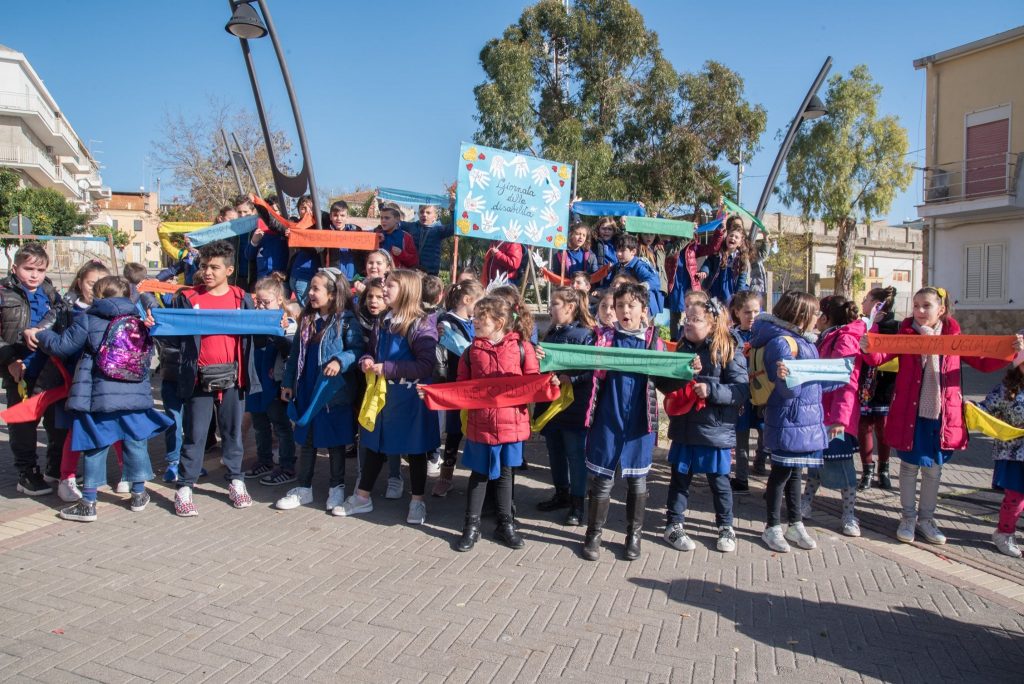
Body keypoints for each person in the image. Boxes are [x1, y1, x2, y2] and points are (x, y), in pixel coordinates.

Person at [860, 287, 1020, 545]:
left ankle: (927, 519)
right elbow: (879, 356)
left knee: (934, 470)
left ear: (941, 310)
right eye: (916, 306)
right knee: (909, 467)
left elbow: (984, 362)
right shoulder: (906, 334)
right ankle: (908, 518)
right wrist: (869, 344)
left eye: (926, 306)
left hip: (942, 414)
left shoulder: (955, 337)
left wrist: (1010, 351)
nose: (920, 311)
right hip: (909, 413)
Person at [34, 276, 172, 522]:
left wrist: (41, 335)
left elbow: (62, 346)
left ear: (97, 296)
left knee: (95, 445)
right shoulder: (139, 321)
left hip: (99, 395)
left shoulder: (88, 320)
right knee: (135, 443)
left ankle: (88, 502)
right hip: (135, 395)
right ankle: (139, 494)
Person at [166, 240, 265, 516]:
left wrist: (277, 324)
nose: (207, 272)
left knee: (233, 433)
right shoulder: (188, 298)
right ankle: (185, 486)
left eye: (214, 267)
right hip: (198, 379)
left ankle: (236, 481)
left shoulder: (241, 298)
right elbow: (172, 333)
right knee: (195, 434)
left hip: (234, 377)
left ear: (229, 270)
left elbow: (258, 335)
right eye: (203, 266)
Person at [336, 270, 439, 524]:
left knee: (416, 450)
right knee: (374, 444)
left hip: (411, 397)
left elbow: (426, 366)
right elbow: (371, 351)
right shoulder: (383, 320)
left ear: (405, 290)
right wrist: (367, 360)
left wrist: (389, 368)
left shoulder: (421, 323)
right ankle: (362, 497)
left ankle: (417, 502)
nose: (384, 291)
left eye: (390, 286)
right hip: (383, 396)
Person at [576, 282, 667, 561]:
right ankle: (593, 535)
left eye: (631, 305)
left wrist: (690, 368)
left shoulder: (654, 342)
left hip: (639, 421)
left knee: (638, 482)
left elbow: (669, 379)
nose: (624, 310)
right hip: (608, 417)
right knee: (602, 480)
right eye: (619, 305)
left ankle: (633, 537)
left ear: (643, 310)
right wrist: (550, 358)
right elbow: (576, 361)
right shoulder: (603, 338)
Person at [449, 295, 542, 551]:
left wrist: (550, 384)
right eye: (475, 316)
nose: (474, 321)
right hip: (482, 424)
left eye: (481, 318)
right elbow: (461, 387)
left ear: (499, 322)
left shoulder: (522, 348)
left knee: (505, 476)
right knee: (479, 476)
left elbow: (533, 381)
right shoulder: (471, 351)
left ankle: (506, 525)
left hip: (511, 424)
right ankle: (471, 526)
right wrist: (436, 395)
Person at [751, 291, 837, 553]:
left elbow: (820, 385)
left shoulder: (806, 341)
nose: (819, 318)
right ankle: (772, 527)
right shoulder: (781, 343)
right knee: (780, 473)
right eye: (815, 313)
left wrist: (839, 372)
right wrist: (791, 378)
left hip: (805, 418)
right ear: (801, 315)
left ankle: (795, 523)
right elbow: (789, 391)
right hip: (788, 417)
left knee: (796, 472)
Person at [660, 291, 746, 553]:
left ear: (711, 324)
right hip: (686, 427)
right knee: (679, 479)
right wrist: (684, 374)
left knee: (719, 482)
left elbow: (741, 391)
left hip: (714, 431)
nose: (687, 324)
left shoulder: (727, 349)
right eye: (686, 319)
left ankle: (725, 526)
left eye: (694, 320)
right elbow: (667, 384)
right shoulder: (682, 348)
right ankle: (673, 525)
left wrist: (710, 391)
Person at [275, 268, 364, 512]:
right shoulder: (306, 319)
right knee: (308, 442)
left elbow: (357, 350)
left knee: (335, 443)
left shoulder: (346, 321)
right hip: (306, 390)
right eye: (311, 288)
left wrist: (340, 361)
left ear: (333, 294)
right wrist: (287, 382)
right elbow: (295, 356)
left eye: (316, 289)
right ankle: (303, 489)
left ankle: (337, 489)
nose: (310, 293)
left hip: (331, 395)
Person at [0, 243, 69, 495]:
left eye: (39, 269)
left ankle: (55, 468)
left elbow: (63, 319)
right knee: (24, 427)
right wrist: (9, 360)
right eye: (28, 268)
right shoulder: (3, 293)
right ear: (15, 267)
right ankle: (26, 473)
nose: (34, 275)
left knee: (57, 423)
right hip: (19, 371)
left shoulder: (51, 292)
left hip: (50, 370)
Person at [800, 295, 867, 538]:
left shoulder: (845, 339)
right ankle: (805, 503)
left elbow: (846, 382)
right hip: (821, 412)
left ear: (827, 318)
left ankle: (849, 514)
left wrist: (840, 418)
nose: (815, 319)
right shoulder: (827, 337)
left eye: (818, 314)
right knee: (817, 463)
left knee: (843, 467)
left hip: (836, 416)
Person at [535, 287, 596, 526]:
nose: (550, 308)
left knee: (575, 455)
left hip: (574, 405)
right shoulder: (551, 333)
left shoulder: (586, 334)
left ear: (570, 307)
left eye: (555, 304)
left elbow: (592, 370)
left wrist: (573, 379)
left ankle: (577, 503)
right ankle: (561, 493)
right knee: (555, 452)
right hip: (552, 404)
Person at [431, 278, 485, 497]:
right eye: (479, 302)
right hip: (454, 384)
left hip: (473, 384)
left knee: (472, 430)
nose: (481, 308)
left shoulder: (475, 322)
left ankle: (479, 476)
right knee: (453, 432)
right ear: (467, 300)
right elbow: (463, 350)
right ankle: (445, 477)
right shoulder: (446, 322)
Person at [242, 274, 297, 484]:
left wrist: (278, 331)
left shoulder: (288, 322)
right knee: (259, 423)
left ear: (279, 301)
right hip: (255, 379)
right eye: (259, 302)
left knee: (280, 425)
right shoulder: (253, 320)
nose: (262, 307)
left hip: (274, 382)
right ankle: (264, 460)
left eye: (267, 303)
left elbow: (291, 350)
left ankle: (287, 466)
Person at [354, 277, 403, 497]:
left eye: (379, 297)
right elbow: (366, 351)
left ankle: (395, 475)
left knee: (391, 432)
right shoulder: (357, 320)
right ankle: (362, 475)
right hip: (364, 384)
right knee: (365, 429)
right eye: (370, 297)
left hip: (389, 384)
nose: (374, 301)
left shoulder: (391, 322)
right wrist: (364, 359)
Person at [977, 354, 1024, 558]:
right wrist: (967, 407)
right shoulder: (1006, 389)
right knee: (1015, 498)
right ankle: (1004, 533)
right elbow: (985, 409)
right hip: (1014, 454)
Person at [857, 286, 899, 490]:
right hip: (865, 382)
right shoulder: (860, 324)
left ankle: (884, 469)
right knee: (864, 426)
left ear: (876, 304)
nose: (862, 303)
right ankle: (867, 470)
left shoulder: (894, 326)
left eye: (865, 299)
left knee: (884, 428)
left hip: (886, 383)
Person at [728, 291, 767, 490]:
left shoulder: (765, 334)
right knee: (741, 436)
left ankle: (761, 462)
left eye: (756, 312)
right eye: (747, 312)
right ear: (737, 312)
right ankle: (741, 478)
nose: (752, 316)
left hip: (762, 393)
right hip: (742, 394)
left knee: (764, 433)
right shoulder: (731, 336)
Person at [665, 226, 724, 340]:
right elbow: (670, 252)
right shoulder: (668, 245)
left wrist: (719, 231)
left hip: (690, 285)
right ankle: (675, 341)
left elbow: (712, 248)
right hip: (676, 284)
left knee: (694, 313)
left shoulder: (693, 248)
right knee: (675, 315)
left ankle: (693, 339)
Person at [610, 233, 662, 316]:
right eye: (617, 250)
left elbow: (655, 281)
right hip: (629, 304)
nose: (619, 254)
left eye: (623, 251)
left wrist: (637, 288)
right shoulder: (618, 266)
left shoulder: (638, 265)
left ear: (633, 252)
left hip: (645, 307)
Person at [700, 219, 750, 305]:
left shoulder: (741, 259)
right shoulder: (718, 253)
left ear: (740, 243)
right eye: (731, 235)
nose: (733, 238)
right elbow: (708, 262)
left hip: (729, 294)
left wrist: (738, 296)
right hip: (714, 291)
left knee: (727, 315)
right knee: (712, 313)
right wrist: (704, 271)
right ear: (726, 237)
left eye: (736, 237)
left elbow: (742, 280)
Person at [402, 203, 454, 277]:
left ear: (435, 217)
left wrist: (452, 210)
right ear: (418, 214)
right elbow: (395, 222)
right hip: (412, 270)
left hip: (430, 273)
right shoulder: (412, 226)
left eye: (428, 213)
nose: (424, 214)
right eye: (422, 212)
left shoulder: (439, 230)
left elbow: (454, 227)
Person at [591, 217, 618, 287]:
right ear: (598, 230)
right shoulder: (594, 242)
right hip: (599, 280)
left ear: (614, 231)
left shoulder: (617, 243)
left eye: (609, 229)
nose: (606, 231)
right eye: (603, 228)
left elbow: (627, 238)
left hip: (614, 278)